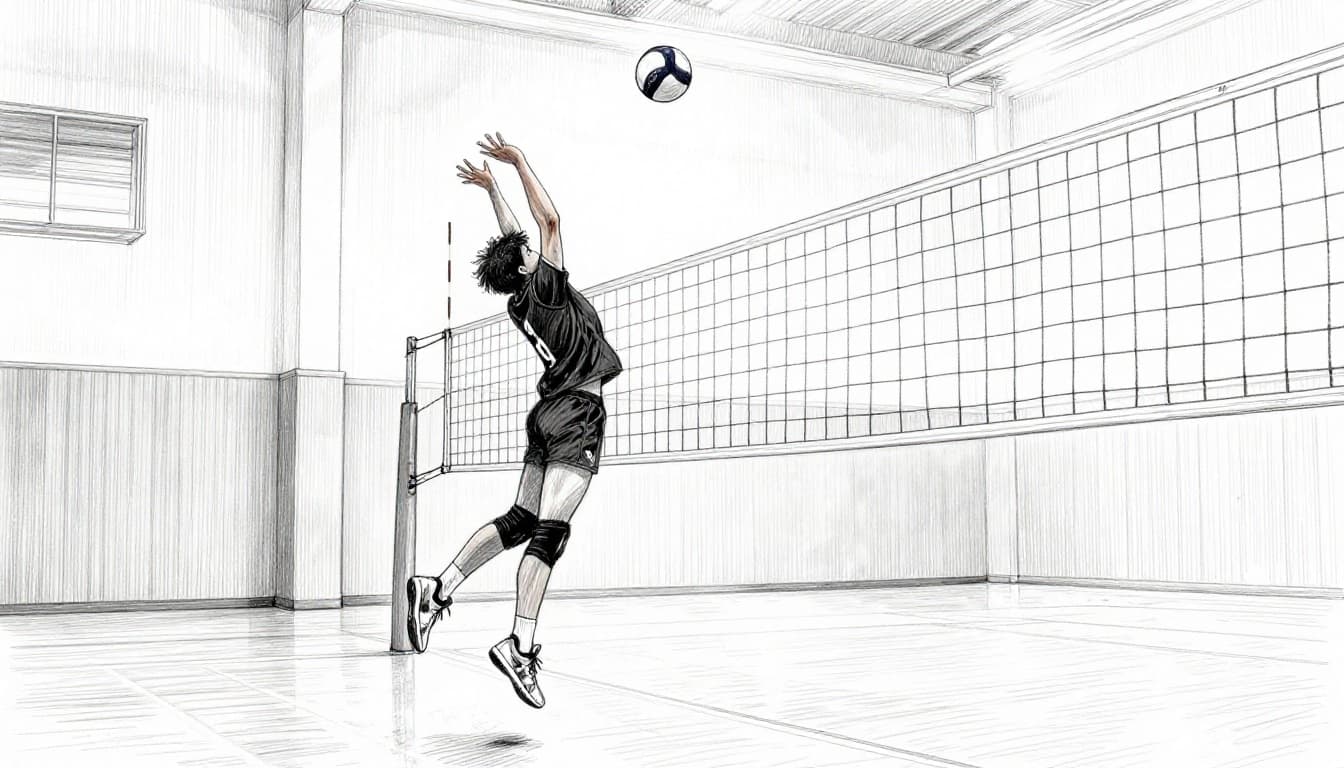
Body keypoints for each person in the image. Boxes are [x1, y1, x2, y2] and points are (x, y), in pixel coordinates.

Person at [406, 133, 622, 709]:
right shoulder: (547, 289)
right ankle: (519, 645)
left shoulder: (519, 297)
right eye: (527, 251)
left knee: (521, 519)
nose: (530, 248)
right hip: (577, 410)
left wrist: (492, 188)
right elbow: (548, 221)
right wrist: (522, 161)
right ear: (529, 266)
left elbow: (515, 239)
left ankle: (437, 588)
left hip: (545, 413)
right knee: (549, 532)